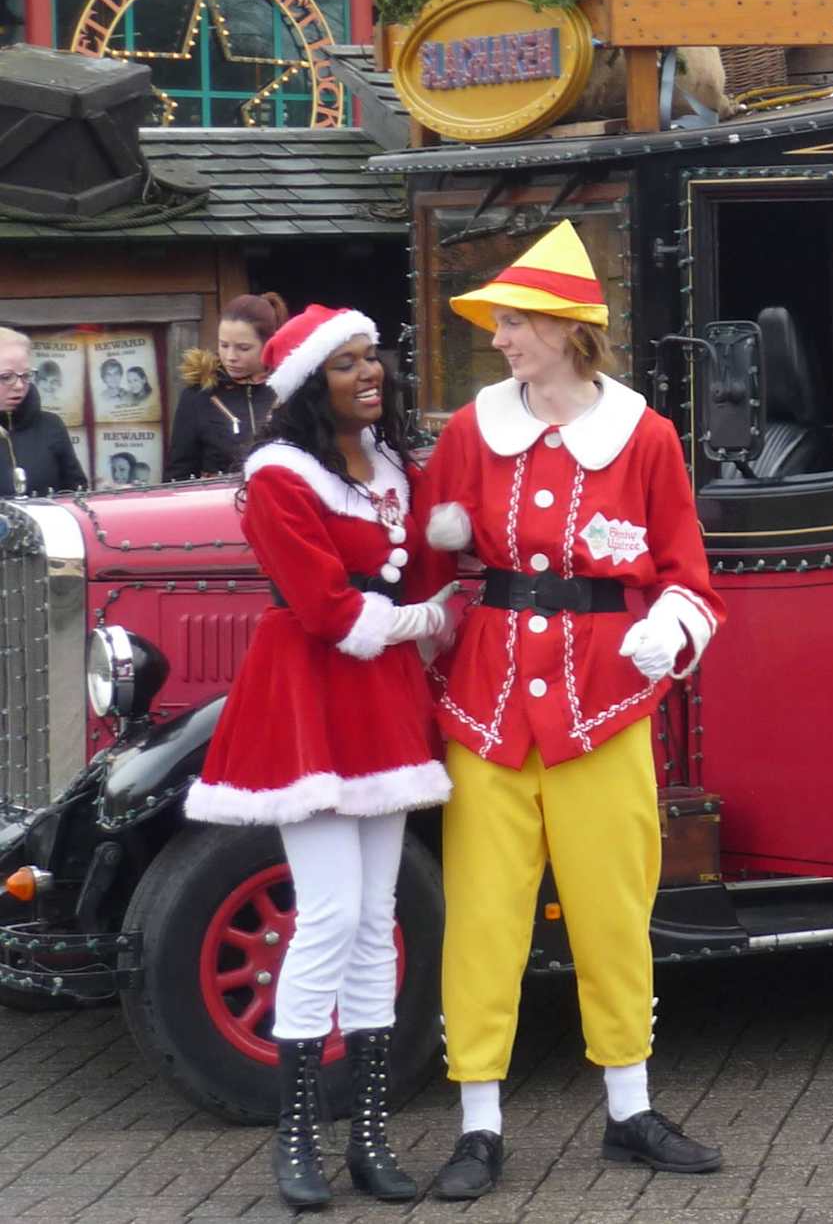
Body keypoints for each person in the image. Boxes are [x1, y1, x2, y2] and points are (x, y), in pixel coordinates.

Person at [418, 222, 725, 1198]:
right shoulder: (471, 432)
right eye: (501, 323)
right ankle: (478, 1126)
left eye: (514, 321)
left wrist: (667, 628)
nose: (500, 337)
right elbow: (429, 566)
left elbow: (690, 577)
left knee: (612, 912)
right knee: (483, 918)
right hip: (489, 710)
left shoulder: (646, 436)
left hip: (605, 703)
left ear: (563, 329)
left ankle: (630, 1110)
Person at [183, 304, 457, 1208]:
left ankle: (369, 1136)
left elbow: (423, 573)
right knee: (331, 913)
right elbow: (327, 610)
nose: (370, 373)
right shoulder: (278, 476)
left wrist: (449, 546)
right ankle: (296, 1135)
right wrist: (427, 617)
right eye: (347, 364)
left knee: (377, 917)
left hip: (379, 699)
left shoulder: (393, 469)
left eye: (373, 357)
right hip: (310, 692)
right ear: (308, 386)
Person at [171, 295, 288, 481]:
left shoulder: (291, 390)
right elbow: (178, 474)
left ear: (268, 344)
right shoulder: (198, 395)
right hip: (217, 498)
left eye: (243, 348)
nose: (230, 357)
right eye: (224, 345)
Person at [0, 327, 86, 497]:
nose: (19, 386)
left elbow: (77, 492)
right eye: (6, 377)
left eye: (26, 376)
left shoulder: (51, 425)